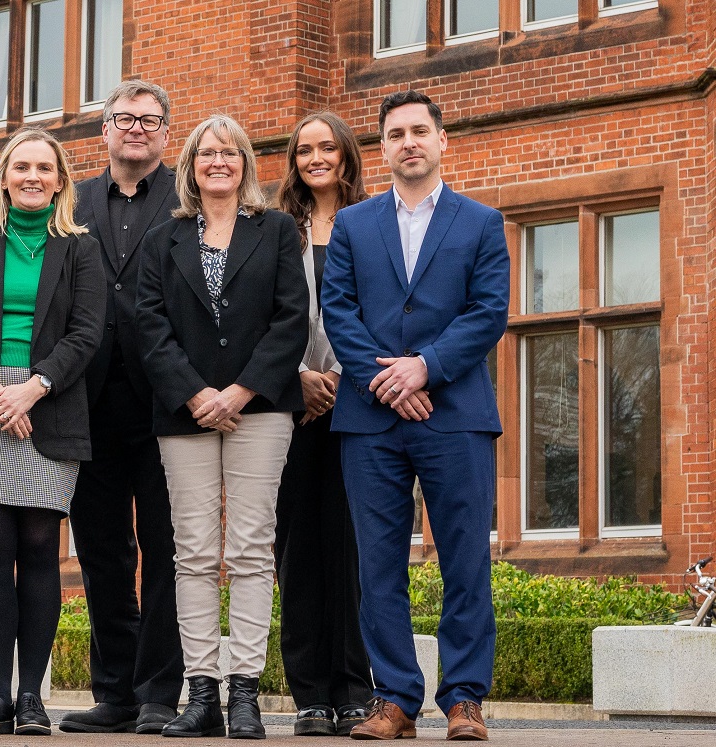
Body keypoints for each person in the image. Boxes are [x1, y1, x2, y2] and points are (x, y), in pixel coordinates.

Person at [321, 90, 508, 742]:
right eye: (395, 133)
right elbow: (338, 312)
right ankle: (395, 698)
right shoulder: (352, 225)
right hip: (370, 419)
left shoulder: (481, 223)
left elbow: (488, 313)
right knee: (377, 565)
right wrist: (385, 379)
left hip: (455, 413)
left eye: (419, 131)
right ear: (383, 147)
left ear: (442, 139)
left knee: (464, 560)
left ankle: (464, 700)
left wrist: (423, 367)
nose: (408, 142)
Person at [133, 114, 307, 739]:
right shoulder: (164, 239)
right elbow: (149, 327)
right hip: (184, 417)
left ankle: (245, 696)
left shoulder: (278, 230)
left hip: (260, 410)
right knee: (196, 554)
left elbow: (292, 319)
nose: (219, 162)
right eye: (207, 153)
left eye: (230, 152)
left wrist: (239, 390)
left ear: (245, 165)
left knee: (252, 551)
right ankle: (202, 693)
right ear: (190, 165)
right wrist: (197, 394)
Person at [0, 128, 105, 736]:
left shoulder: (81, 249)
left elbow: (87, 331)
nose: (32, 176)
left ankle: (32, 697)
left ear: (60, 180)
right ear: (3, 177)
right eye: (20, 167)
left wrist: (32, 387)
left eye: (44, 167)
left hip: (48, 405)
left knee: (39, 548)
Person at [60, 79, 186, 735]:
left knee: (167, 550)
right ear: (103, 130)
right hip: (87, 402)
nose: (136, 128)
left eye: (149, 119)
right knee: (102, 551)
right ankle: (115, 692)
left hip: (168, 403)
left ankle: (161, 692)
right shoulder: (70, 202)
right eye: (123, 118)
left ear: (166, 133)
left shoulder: (189, 201)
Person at [269, 111, 374, 738]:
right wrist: (298, 380)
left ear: (345, 156)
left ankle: (356, 687)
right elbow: (263, 317)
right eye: (303, 149)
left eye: (326, 147)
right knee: (297, 548)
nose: (315, 158)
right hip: (292, 405)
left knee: (356, 548)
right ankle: (310, 691)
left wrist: (342, 380)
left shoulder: (372, 222)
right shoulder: (279, 229)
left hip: (359, 401)